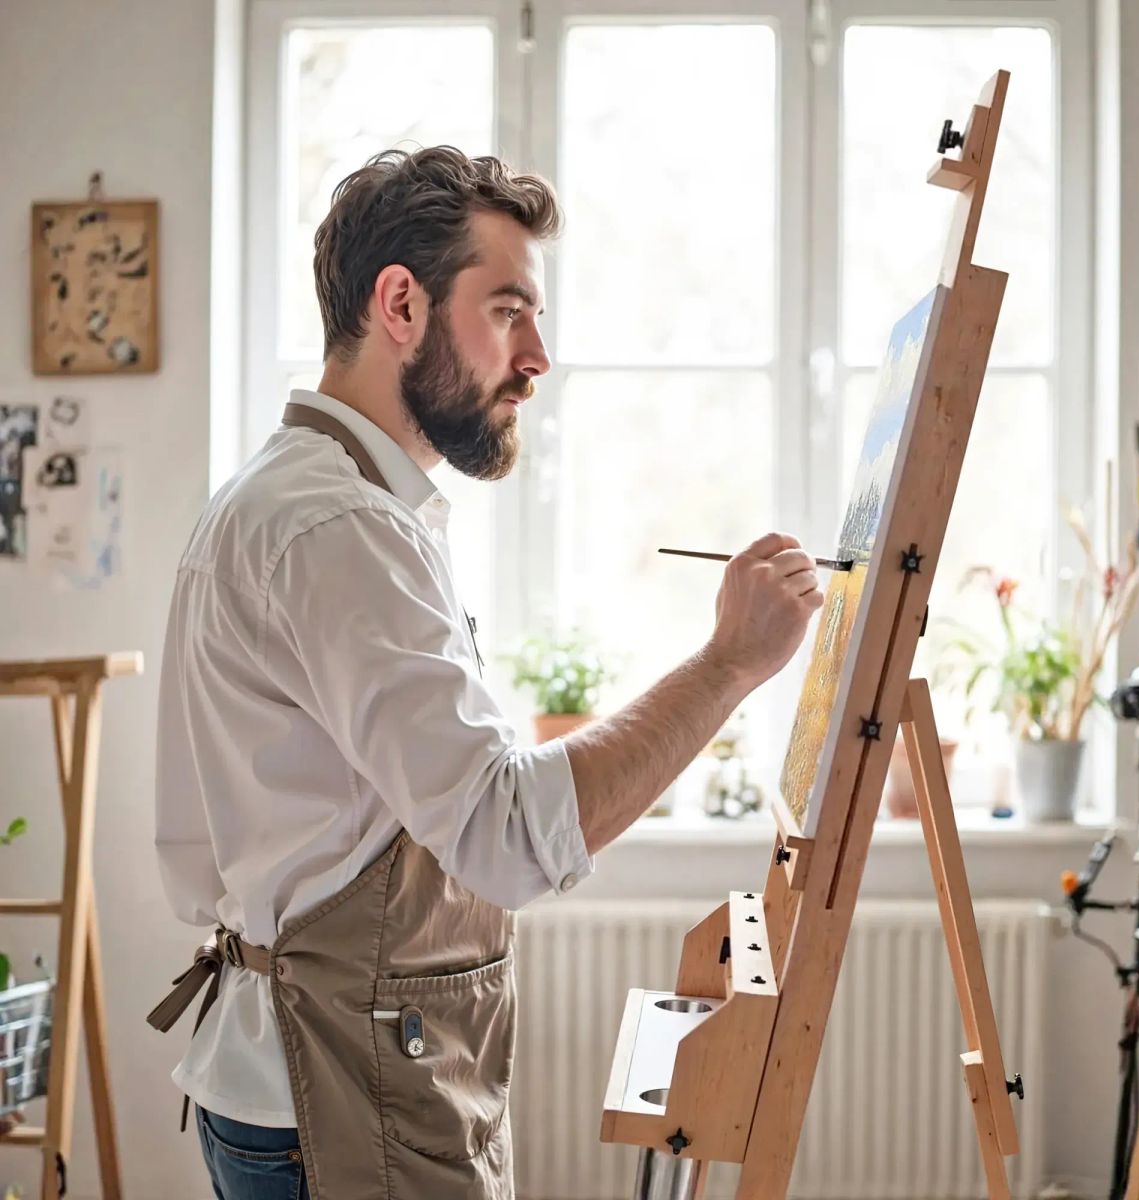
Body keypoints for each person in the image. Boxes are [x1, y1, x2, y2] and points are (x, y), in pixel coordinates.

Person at [151, 146, 824, 1200]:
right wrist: (730, 663)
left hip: (305, 1076)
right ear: (401, 305)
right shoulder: (338, 528)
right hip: (340, 1100)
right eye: (508, 312)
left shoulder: (290, 500)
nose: (538, 357)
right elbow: (505, 837)